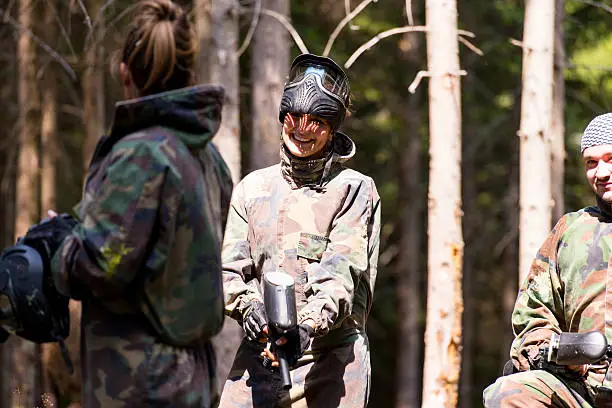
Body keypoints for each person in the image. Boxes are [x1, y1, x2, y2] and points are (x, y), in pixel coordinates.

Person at [19, 0, 233, 406]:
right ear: (187, 72)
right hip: (192, 379)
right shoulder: (206, 156)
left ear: (124, 71)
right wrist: (79, 232)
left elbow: (101, 264)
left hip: (141, 383)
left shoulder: (142, 154)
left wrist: (61, 245)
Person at [218, 53, 381, 408]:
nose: (302, 129)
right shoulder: (253, 188)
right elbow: (229, 271)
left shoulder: (353, 189)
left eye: (316, 121)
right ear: (283, 118)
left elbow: (342, 273)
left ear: (333, 127)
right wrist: (250, 310)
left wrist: (306, 326)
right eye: (295, 117)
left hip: (333, 358)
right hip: (262, 355)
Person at [483, 112, 612, 407]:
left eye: (610, 159)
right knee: (509, 392)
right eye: (591, 163)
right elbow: (533, 315)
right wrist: (555, 353)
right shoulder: (571, 231)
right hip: (581, 392)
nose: (601, 173)